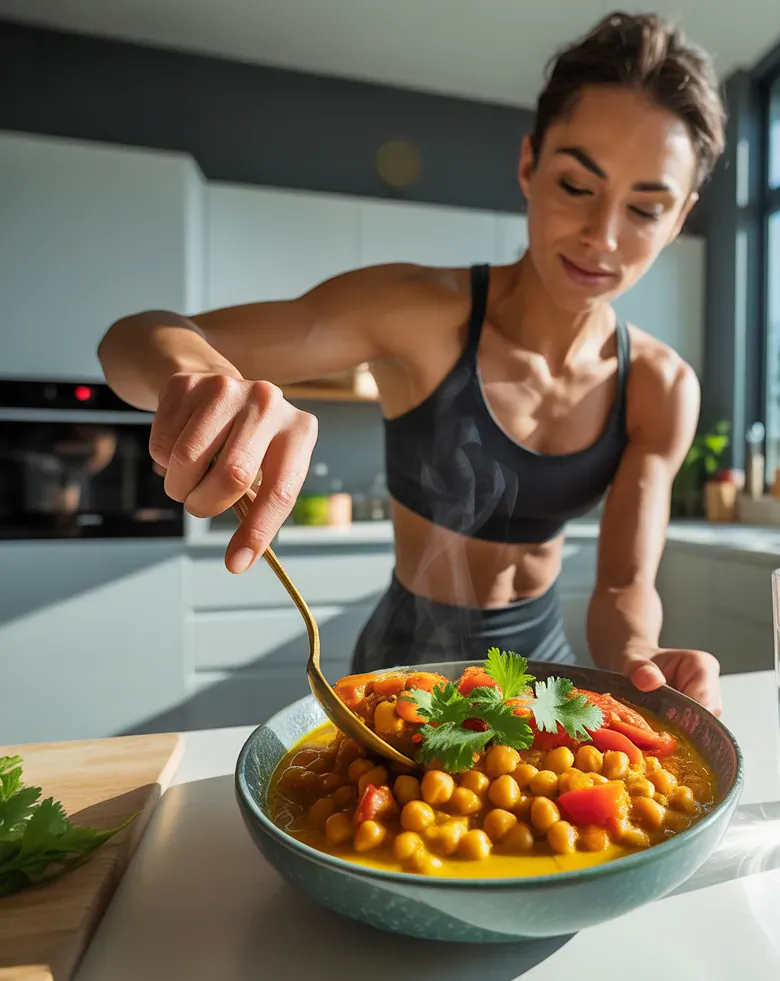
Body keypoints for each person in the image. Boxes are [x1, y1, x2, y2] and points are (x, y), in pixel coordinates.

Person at [98, 12, 727, 714]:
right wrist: (202, 379)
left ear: (679, 219)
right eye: (577, 187)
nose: (601, 237)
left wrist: (639, 657)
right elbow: (133, 339)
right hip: (401, 673)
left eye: (645, 209)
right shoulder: (418, 311)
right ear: (529, 165)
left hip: (546, 677)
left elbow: (622, 586)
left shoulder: (661, 386)